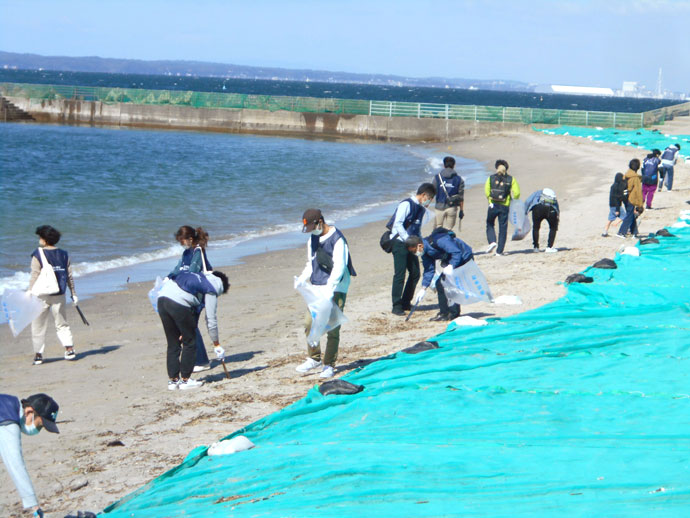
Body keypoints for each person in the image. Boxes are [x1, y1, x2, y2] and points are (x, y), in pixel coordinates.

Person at [294, 209, 356, 379]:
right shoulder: (312, 238)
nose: (311, 231)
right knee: (309, 322)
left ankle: (329, 364)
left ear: (320, 222)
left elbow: (340, 267)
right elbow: (311, 263)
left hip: (336, 287)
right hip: (318, 286)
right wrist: (302, 278)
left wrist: (330, 289)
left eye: (313, 226)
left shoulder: (338, 240)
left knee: (332, 326)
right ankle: (314, 358)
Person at [156, 270, 229, 390]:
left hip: (162, 299)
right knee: (190, 341)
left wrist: (183, 329)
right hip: (178, 302)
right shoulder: (212, 288)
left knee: (173, 343)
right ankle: (185, 380)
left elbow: (193, 311)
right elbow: (211, 319)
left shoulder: (198, 277)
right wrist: (217, 345)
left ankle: (173, 381)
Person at [0, 392, 60, 518]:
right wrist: (34, 506)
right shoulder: (8, 418)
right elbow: (15, 464)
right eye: (40, 425)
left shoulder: (8, 403)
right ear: (29, 412)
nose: (38, 430)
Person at [29, 225, 78, 366]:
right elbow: (69, 276)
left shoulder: (38, 254)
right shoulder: (64, 254)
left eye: (40, 237)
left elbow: (34, 275)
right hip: (59, 294)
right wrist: (73, 293)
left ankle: (38, 355)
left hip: (41, 295)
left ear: (44, 239)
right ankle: (69, 349)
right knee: (62, 323)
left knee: (38, 325)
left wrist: (29, 292)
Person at [169, 226, 214, 372]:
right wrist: (168, 278)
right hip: (189, 291)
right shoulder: (186, 253)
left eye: (182, 240)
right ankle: (198, 359)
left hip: (197, 292)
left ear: (190, 239)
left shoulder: (198, 251)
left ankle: (201, 361)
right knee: (189, 326)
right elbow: (178, 269)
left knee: (190, 326)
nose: (182, 243)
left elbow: (194, 270)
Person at [389, 183, 436, 316]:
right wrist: (408, 239)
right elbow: (397, 224)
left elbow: (417, 229)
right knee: (400, 274)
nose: (430, 201)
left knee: (415, 273)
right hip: (399, 243)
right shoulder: (406, 204)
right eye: (430, 198)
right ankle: (396, 305)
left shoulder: (421, 209)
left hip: (413, 244)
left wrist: (420, 243)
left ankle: (405, 302)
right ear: (424, 195)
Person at [407, 230, 474, 321]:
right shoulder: (425, 252)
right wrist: (423, 288)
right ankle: (444, 313)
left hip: (464, 256)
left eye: (414, 251)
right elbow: (429, 270)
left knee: (449, 284)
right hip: (451, 260)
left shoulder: (439, 241)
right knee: (439, 284)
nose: (415, 253)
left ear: (419, 245)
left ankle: (453, 313)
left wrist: (451, 265)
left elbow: (456, 252)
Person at [484, 159, 520, 256]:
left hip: (493, 205)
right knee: (503, 228)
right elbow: (517, 193)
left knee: (490, 223)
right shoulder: (511, 179)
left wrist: (490, 200)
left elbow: (487, 191)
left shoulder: (491, 178)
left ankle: (492, 241)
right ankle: (499, 251)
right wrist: (513, 200)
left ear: (496, 167)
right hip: (505, 205)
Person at [433, 156, 465, 231]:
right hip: (452, 207)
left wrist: (426, 204)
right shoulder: (459, 179)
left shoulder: (437, 178)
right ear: (454, 165)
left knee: (438, 228)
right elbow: (461, 197)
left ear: (444, 165)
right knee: (449, 230)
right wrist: (461, 210)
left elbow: (431, 192)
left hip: (439, 207)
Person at [525, 188, 560, 253]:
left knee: (536, 228)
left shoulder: (537, 192)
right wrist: (557, 216)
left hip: (538, 208)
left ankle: (536, 247)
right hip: (551, 209)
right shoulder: (552, 194)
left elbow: (528, 201)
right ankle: (549, 247)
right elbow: (556, 204)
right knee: (553, 228)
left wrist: (525, 212)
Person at [617, 159, 644, 239]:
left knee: (631, 214)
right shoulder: (635, 178)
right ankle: (621, 232)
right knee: (629, 215)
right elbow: (638, 191)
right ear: (638, 167)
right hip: (631, 198)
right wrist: (640, 204)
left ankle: (634, 232)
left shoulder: (626, 175)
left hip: (624, 197)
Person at [602, 172, 627, 237]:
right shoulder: (618, 187)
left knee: (610, 219)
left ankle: (604, 232)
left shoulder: (613, 186)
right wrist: (617, 209)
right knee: (625, 216)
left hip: (611, 205)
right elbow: (617, 199)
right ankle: (616, 224)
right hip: (616, 206)